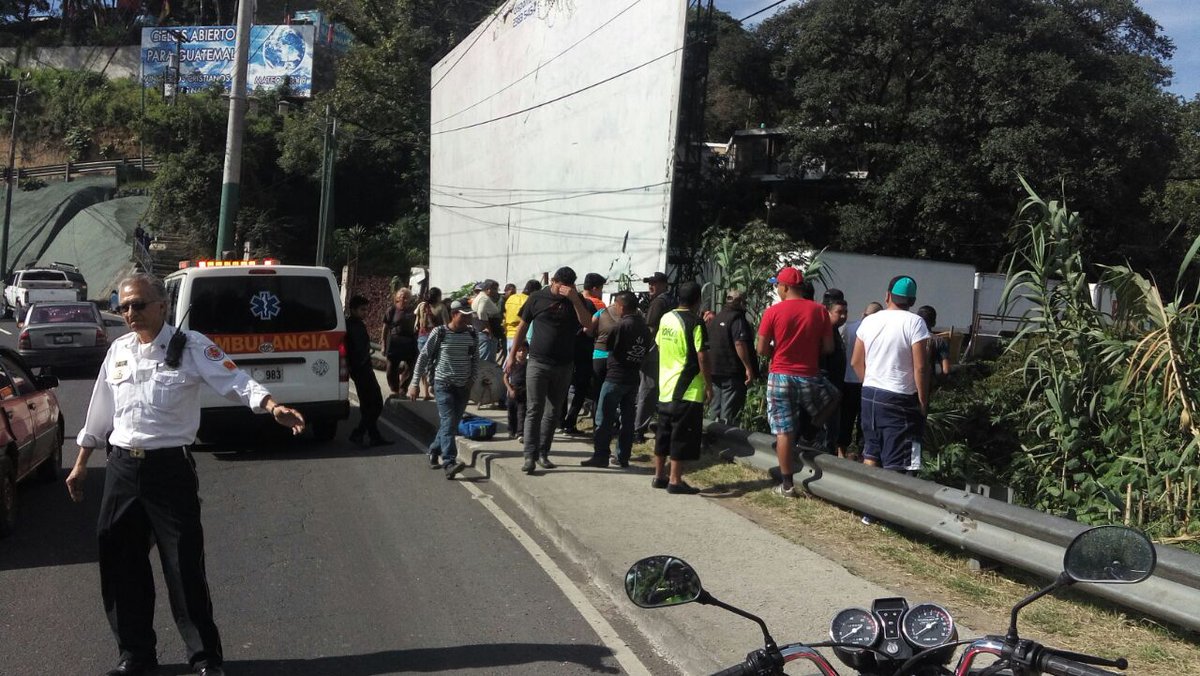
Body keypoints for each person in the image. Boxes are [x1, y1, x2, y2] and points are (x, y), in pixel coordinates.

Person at [66, 272, 306, 676]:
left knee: (183, 567)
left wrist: (269, 404)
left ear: (162, 305)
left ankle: (205, 658)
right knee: (120, 564)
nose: (130, 313)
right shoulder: (119, 350)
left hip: (169, 469)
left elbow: (234, 379)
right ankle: (136, 655)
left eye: (139, 304)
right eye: (123, 306)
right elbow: (100, 411)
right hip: (122, 468)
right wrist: (80, 463)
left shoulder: (191, 346)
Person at [756, 266, 839, 498]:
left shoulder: (773, 312)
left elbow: (761, 349)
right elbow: (829, 348)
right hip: (809, 375)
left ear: (784, 287)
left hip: (780, 375)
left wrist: (779, 350)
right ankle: (811, 429)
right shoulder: (819, 311)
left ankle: (787, 484)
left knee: (784, 431)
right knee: (834, 397)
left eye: (777, 286)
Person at [504, 266, 594, 474]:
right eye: (561, 285)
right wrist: (512, 355)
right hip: (537, 362)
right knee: (534, 408)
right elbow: (522, 327)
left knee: (553, 412)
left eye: (569, 286)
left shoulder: (577, 299)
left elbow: (588, 325)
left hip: (564, 364)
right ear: (553, 281)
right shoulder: (537, 297)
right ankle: (529, 455)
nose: (564, 289)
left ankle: (543, 453)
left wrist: (574, 299)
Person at [850, 275, 931, 478]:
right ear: (912, 301)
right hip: (900, 398)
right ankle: (888, 506)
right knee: (898, 462)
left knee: (872, 452)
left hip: (869, 395)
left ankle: (867, 507)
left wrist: (870, 382)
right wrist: (922, 401)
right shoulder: (916, 323)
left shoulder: (870, 321)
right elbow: (921, 367)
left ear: (887, 296)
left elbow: (855, 362)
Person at [409, 299, 479, 479]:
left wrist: (472, 379)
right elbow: (423, 357)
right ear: (454, 314)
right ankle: (449, 462)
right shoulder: (439, 333)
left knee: (451, 424)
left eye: (469, 316)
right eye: (463, 316)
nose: (467, 320)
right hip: (443, 384)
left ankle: (433, 450)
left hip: (463, 386)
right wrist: (415, 383)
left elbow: (475, 359)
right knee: (448, 422)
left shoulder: (472, 334)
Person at [652, 281, 711, 494]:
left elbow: (659, 344)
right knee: (681, 435)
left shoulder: (666, 318)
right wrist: (709, 385)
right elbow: (702, 355)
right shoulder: (695, 322)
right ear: (698, 300)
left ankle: (659, 476)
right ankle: (675, 480)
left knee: (663, 432)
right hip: (687, 388)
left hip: (666, 386)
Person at [582, 291, 650, 468]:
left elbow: (610, 346)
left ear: (621, 306)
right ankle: (623, 456)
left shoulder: (621, 326)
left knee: (603, 417)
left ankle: (601, 455)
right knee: (628, 420)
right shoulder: (644, 327)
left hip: (615, 377)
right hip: (633, 378)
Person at [561, 272, 607, 434]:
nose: (601, 292)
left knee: (564, 385)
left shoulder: (572, 300)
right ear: (594, 289)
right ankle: (570, 422)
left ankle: (560, 421)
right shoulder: (598, 305)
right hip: (586, 351)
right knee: (582, 388)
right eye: (601, 289)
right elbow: (597, 329)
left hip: (567, 348)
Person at [838, 301, 882, 459]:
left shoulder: (850, 328)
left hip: (848, 380)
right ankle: (863, 453)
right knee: (865, 421)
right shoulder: (878, 330)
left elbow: (842, 352)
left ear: (864, 313)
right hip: (868, 382)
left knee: (846, 418)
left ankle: (841, 452)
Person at [634, 271, 675, 442]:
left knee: (647, 389)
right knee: (655, 390)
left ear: (665, 285)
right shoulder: (671, 300)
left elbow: (650, 329)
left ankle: (637, 429)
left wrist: (641, 350)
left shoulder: (659, 302)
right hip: (667, 351)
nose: (651, 286)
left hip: (654, 351)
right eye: (649, 283)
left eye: (655, 283)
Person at [706, 289, 756, 425]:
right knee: (728, 412)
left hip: (715, 370)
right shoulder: (737, 319)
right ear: (740, 302)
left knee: (715, 409)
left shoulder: (717, 318)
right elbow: (739, 343)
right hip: (732, 372)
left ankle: (710, 438)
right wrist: (748, 367)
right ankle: (725, 440)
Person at [346, 295, 390, 446]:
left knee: (367, 405)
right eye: (362, 310)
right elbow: (358, 351)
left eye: (366, 309)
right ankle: (358, 433)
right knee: (376, 403)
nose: (365, 312)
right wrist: (364, 363)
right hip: (362, 370)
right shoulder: (353, 325)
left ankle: (374, 435)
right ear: (353, 310)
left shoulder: (355, 324)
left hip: (360, 369)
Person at [818, 293, 849, 453]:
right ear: (827, 311)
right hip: (826, 393)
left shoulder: (835, 331)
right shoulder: (823, 332)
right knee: (824, 436)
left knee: (832, 435)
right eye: (839, 312)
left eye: (845, 312)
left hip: (835, 392)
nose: (843, 316)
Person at [382, 288, 418, 395]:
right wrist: (383, 344)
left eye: (407, 297)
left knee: (409, 367)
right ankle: (394, 389)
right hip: (394, 342)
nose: (404, 299)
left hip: (410, 342)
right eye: (402, 297)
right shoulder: (391, 310)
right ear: (397, 298)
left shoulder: (413, 311)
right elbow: (385, 328)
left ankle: (403, 389)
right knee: (391, 368)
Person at [414, 287, 446, 400]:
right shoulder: (441, 307)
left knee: (422, 363)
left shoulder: (422, 306)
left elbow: (417, 321)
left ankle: (426, 392)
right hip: (436, 337)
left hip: (422, 336)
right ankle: (434, 387)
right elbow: (446, 325)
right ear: (438, 296)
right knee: (435, 364)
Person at [916, 305, 952, 381]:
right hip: (927, 382)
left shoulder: (910, 338)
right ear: (934, 322)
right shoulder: (939, 341)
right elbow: (946, 370)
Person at [472, 279, 503, 363]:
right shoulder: (484, 298)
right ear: (488, 289)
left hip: (483, 332)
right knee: (486, 361)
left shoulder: (481, 296)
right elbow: (481, 312)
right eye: (495, 289)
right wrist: (488, 328)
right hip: (487, 334)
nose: (496, 292)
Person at [505, 280, 540, 353]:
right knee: (519, 360)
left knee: (510, 358)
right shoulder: (530, 300)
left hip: (509, 334)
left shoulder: (511, 298)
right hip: (522, 336)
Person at [505, 343, 529, 440]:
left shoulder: (529, 364)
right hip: (513, 390)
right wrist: (510, 389)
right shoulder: (512, 363)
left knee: (521, 413)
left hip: (524, 391)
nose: (522, 353)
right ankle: (511, 431)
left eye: (524, 350)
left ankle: (520, 433)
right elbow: (505, 378)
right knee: (511, 412)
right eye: (519, 350)